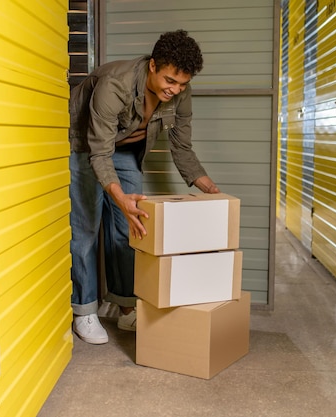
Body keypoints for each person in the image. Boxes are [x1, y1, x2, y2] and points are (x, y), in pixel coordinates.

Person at [68, 29, 220, 344]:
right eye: (170, 81)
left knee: (129, 230)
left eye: (182, 84)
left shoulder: (181, 91)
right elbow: (99, 152)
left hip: (125, 151)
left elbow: (182, 146)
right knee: (86, 229)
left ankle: (125, 308)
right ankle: (84, 311)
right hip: (85, 146)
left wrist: (209, 189)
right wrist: (119, 196)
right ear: (153, 66)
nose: (175, 90)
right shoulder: (115, 84)